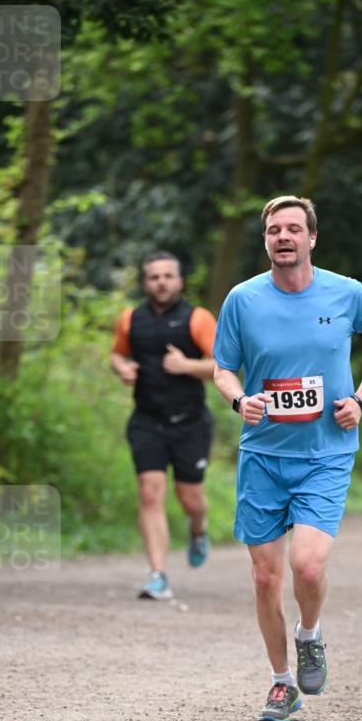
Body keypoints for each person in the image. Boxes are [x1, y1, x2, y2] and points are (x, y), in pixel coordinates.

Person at [213, 195, 362, 721]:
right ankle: (281, 682)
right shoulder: (242, 301)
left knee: (307, 566)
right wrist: (237, 399)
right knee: (266, 578)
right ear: (266, 240)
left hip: (325, 455)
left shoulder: (347, 293)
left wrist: (361, 398)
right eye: (275, 229)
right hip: (263, 456)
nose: (284, 236)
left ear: (312, 238)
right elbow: (224, 367)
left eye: (294, 228)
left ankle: (309, 636)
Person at [111, 251, 217, 599]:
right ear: (146, 283)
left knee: (190, 498)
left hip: (190, 423)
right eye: (154, 277)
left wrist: (187, 365)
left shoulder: (197, 318)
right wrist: (122, 368)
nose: (161, 282)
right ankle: (157, 574)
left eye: (168, 276)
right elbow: (118, 353)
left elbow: (224, 366)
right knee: (149, 492)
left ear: (180, 281)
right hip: (147, 420)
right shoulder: (131, 319)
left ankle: (198, 529)